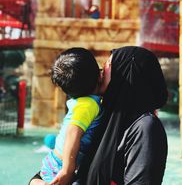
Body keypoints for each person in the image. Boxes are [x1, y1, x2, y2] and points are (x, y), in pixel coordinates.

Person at [76, 46, 168, 185]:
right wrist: (37, 181)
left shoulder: (145, 128)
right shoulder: (102, 117)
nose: (103, 68)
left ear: (125, 73)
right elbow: (58, 163)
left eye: (109, 64)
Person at [29, 47, 103, 185]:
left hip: (56, 162)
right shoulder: (88, 105)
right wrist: (67, 170)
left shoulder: (83, 102)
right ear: (98, 75)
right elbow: (72, 132)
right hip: (59, 166)